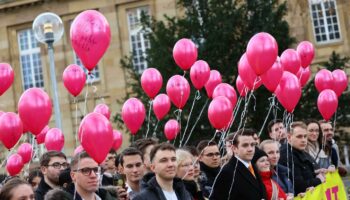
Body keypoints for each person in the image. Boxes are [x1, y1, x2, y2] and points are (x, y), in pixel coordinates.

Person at [210, 129, 267, 200]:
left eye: (252, 145)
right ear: (234, 148)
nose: (250, 149)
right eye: (245, 145)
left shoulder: (252, 166)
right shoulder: (227, 172)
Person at [279, 121, 325, 195]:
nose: (303, 140)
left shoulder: (300, 151)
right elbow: (298, 186)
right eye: (299, 136)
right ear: (289, 137)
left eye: (305, 136)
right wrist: (319, 180)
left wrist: (316, 172)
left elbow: (304, 174)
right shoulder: (287, 155)